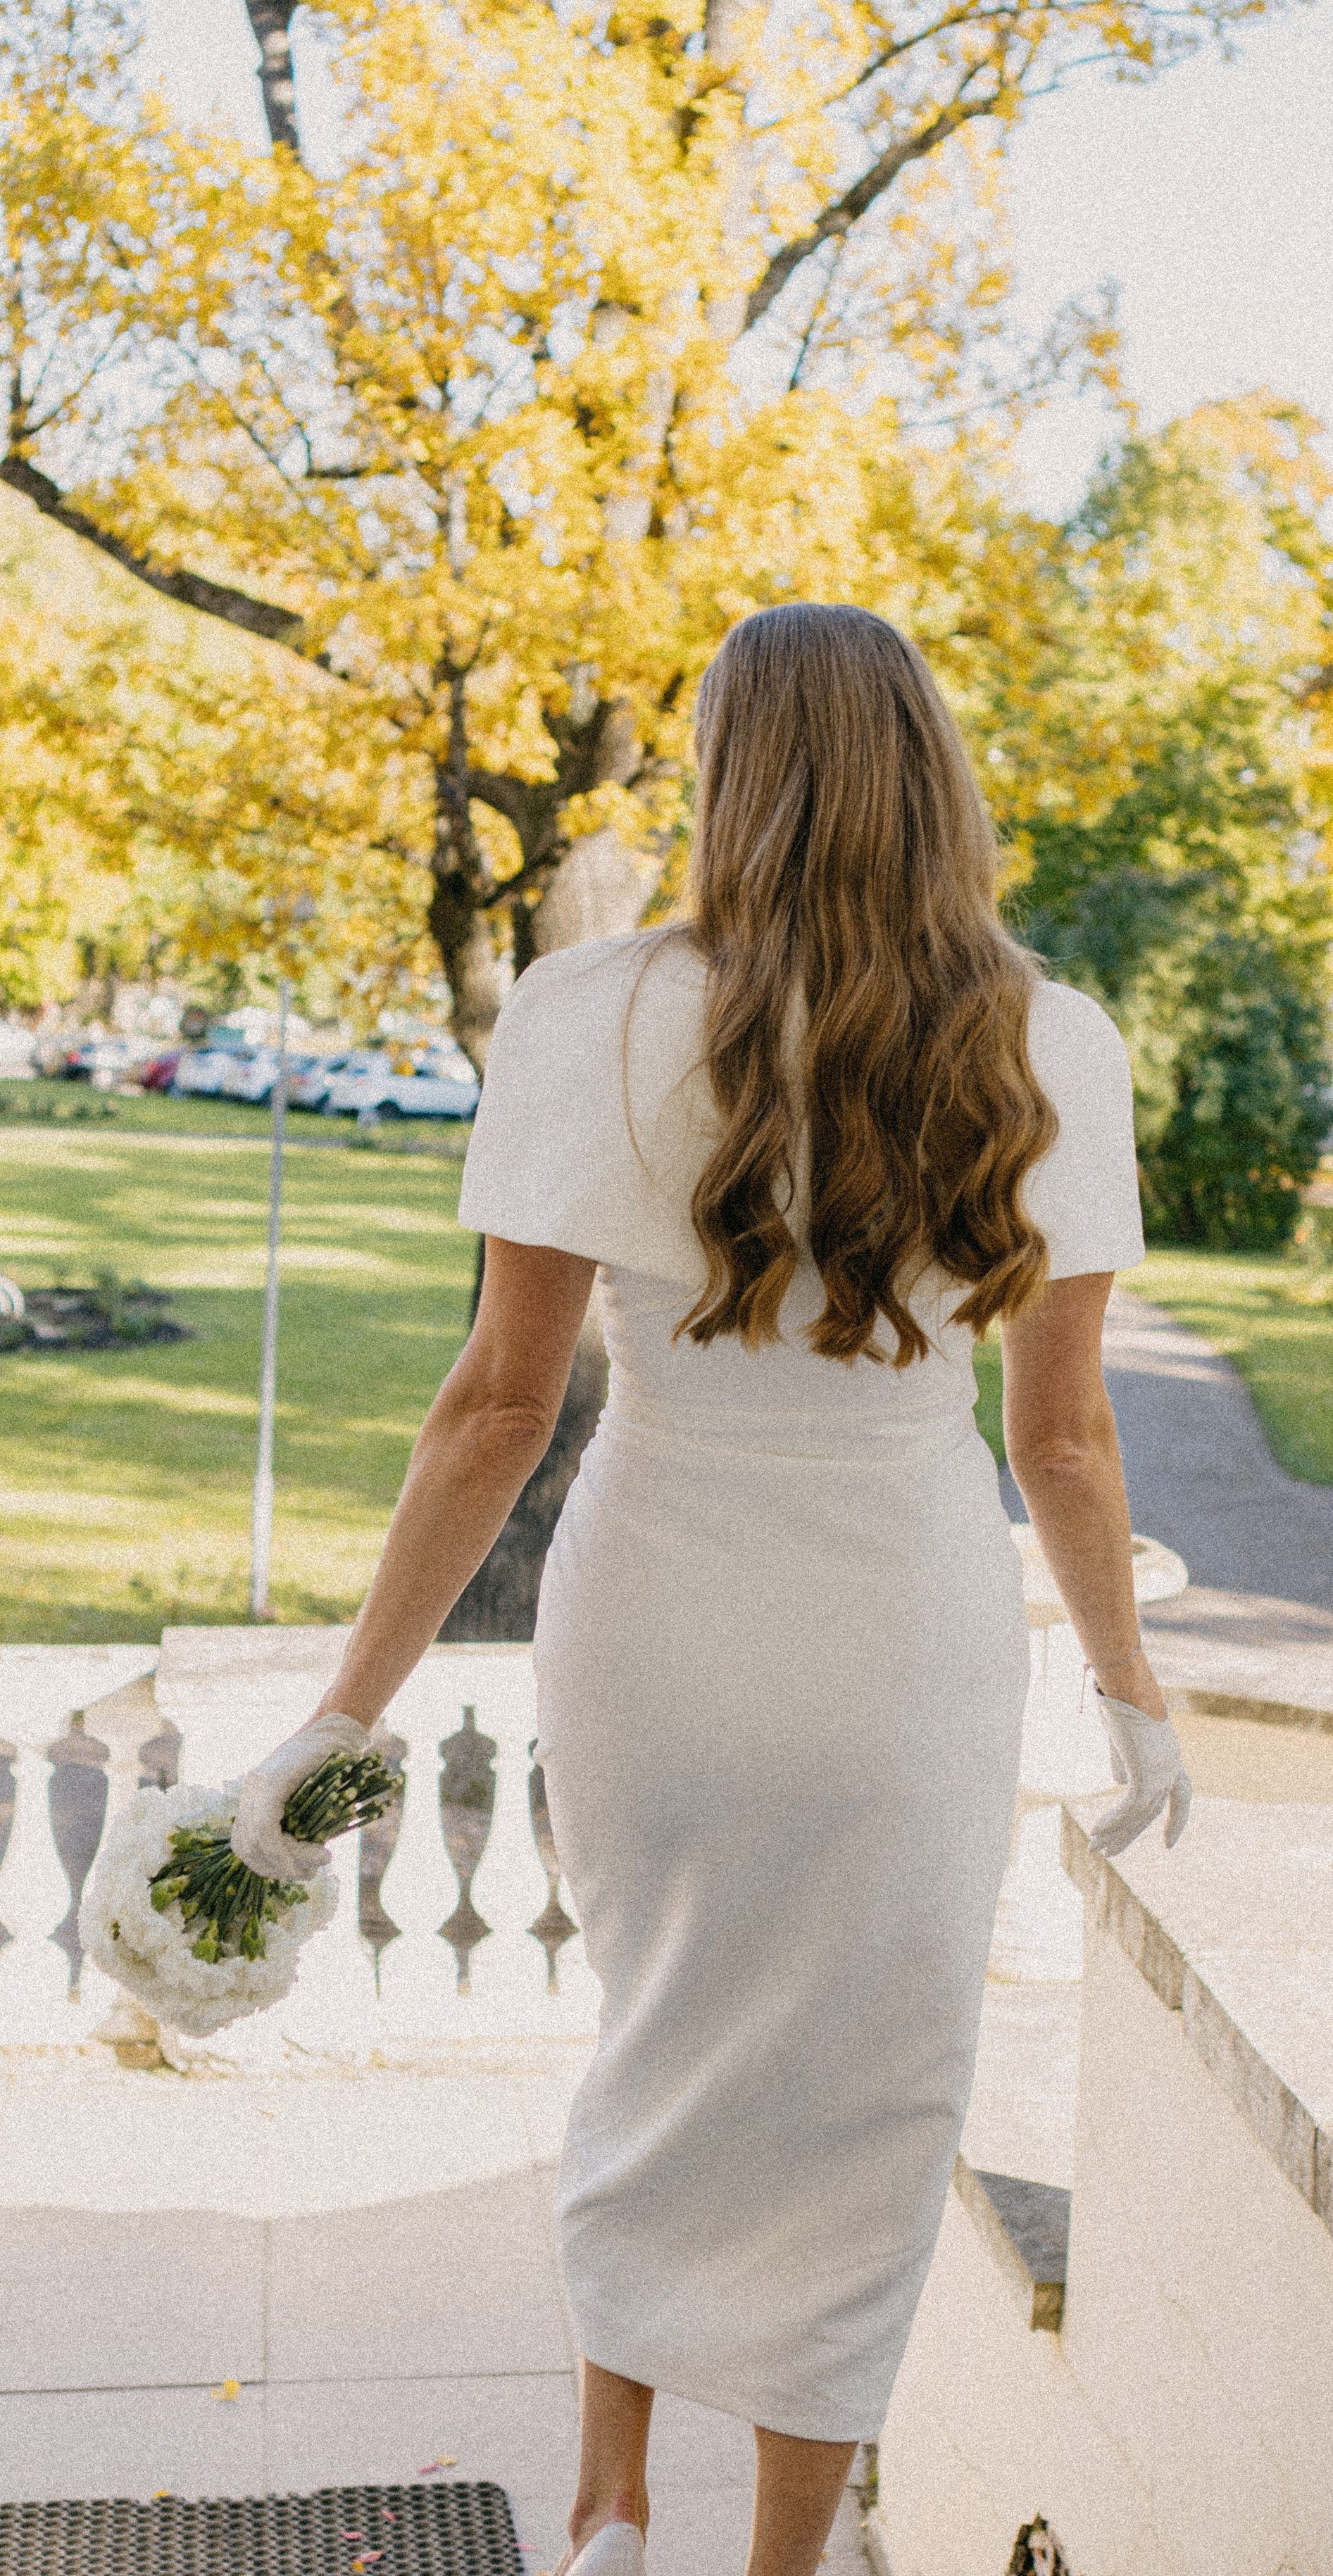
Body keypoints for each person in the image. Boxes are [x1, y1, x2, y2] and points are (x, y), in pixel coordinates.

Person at [231, 603, 1194, 2576]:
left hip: (652, 1608)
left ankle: (604, 2511)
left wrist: (346, 1712)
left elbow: (495, 1412)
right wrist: (1132, 1693)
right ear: (939, 779)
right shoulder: (1053, 1043)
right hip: (905, 1640)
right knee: (868, 2101)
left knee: (653, 2032)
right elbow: (1066, 1439)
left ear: (728, 779)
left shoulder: (585, 1013)